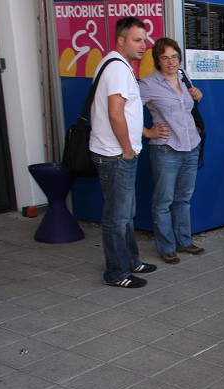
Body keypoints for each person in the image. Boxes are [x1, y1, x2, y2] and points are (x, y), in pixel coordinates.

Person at [89, 16, 158, 288]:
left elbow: (126, 114)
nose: (144, 45)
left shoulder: (114, 64)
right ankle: (116, 273)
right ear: (121, 40)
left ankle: (131, 260)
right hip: (116, 155)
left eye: (144, 40)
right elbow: (115, 114)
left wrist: (141, 136)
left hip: (116, 152)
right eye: (137, 40)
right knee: (117, 217)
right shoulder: (117, 69)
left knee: (125, 213)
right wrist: (127, 149)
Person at [139, 37, 205, 265]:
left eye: (174, 57)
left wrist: (197, 97)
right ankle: (167, 247)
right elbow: (124, 110)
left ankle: (184, 242)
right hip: (166, 149)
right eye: (165, 58)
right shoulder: (147, 84)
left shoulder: (183, 76)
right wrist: (147, 132)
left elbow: (187, 108)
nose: (170, 62)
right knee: (163, 201)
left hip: (191, 146)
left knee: (184, 199)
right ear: (157, 60)